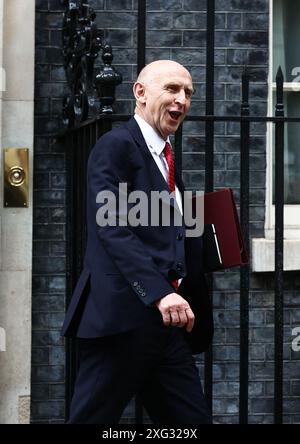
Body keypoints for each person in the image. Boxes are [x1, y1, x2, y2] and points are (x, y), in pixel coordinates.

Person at [62, 60, 213, 424]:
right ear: (140, 93)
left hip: (167, 327)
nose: (182, 100)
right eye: (172, 89)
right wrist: (160, 292)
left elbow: (164, 233)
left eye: (188, 93)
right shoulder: (116, 146)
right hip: (122, 323)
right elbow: (112, 226)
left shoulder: (166, 158)